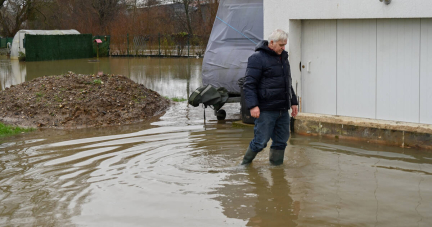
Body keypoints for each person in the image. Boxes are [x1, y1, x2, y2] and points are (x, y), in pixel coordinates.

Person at [241, 29, 298, 165]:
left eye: (285, 45)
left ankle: (277, 170)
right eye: (281, 45)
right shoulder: (257, 58)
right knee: (260, 142)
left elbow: (287, 82)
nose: (283, 48)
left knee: (281, 141)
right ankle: (244, 165)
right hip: (265, 109)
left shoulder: (283, 58)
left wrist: (293, 102)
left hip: (282, 109)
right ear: (271, 43)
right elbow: (249, 85)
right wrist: (253, 106)